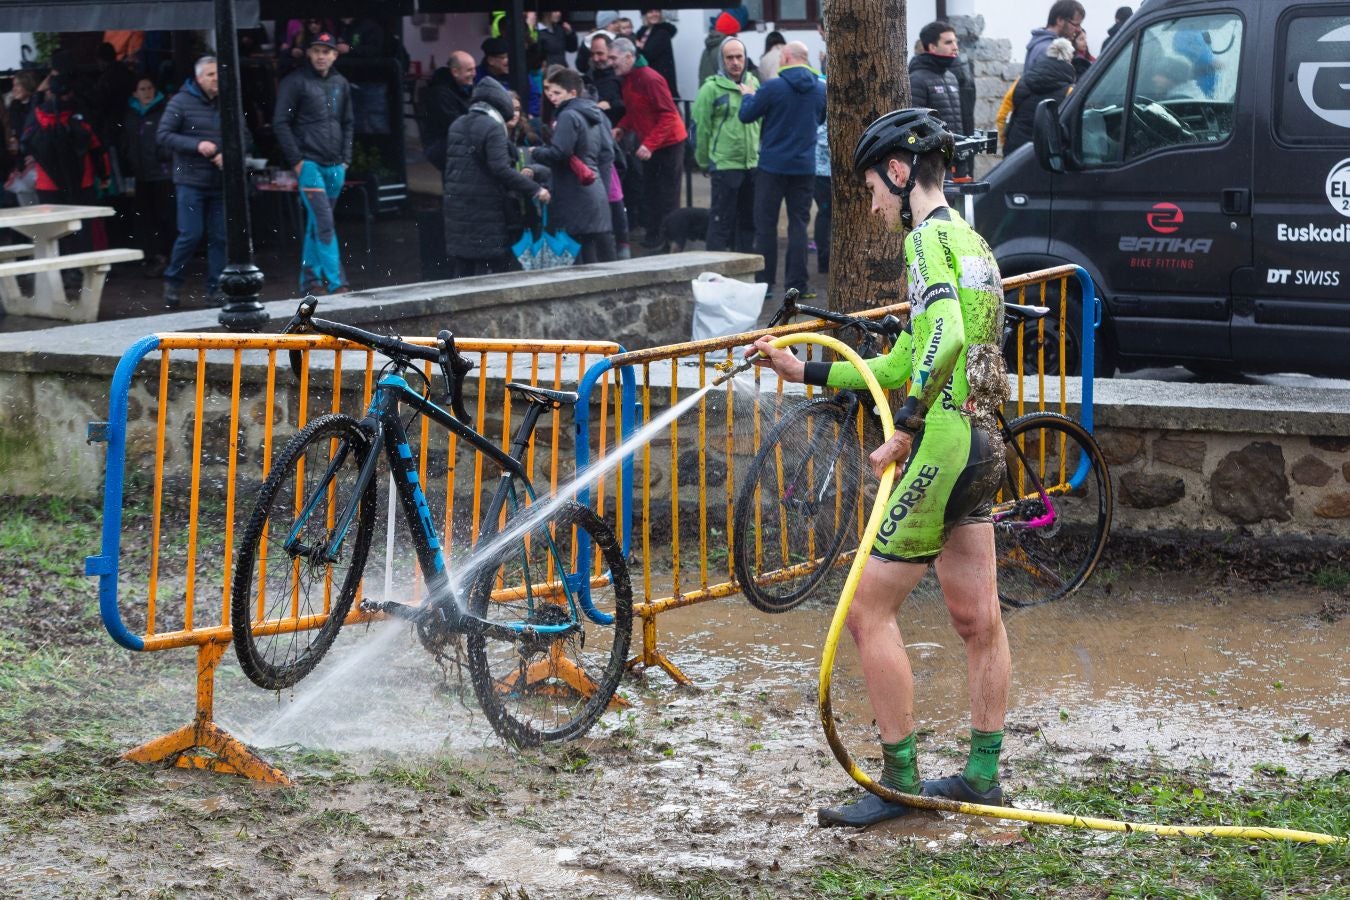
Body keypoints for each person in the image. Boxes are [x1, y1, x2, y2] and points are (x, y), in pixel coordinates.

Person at [750, 108, 1010, 828]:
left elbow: (948, 338)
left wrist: (914, 427)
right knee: (977, 617)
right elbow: (903, 360)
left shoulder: (926, 240)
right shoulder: (974, 241)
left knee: (867, 611)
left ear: (900, 171)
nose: (870, 203)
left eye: (872, 185)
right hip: (987, 439)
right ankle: (982, 779)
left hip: (949, 442)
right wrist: (799, 368)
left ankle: (898, 784)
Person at [737, 41, 825, 296]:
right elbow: (819, 119)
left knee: (766, 224)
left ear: (785, 57)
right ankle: (797, 284)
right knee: (798, 225)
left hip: (772, 166)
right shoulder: (820, 89)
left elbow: (747, 116)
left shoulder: (772, 87)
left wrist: (747, 96)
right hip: (804, 166)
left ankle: (765, 284)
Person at [442, 76, 550, 277]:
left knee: (464, 269)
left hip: (457, 207)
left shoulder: (457, 124)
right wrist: (536, 189)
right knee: (489, 269)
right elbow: (500, 169)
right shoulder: (492, 127)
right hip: (485, 209)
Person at [274, 31, 354, 295]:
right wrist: (297, 161)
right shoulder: (295, 82)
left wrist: (345, 160)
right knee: (324, 221)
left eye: (326, 51)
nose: (321, 56)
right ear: (309, 53)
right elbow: (280, 123)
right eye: (317, 51)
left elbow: (348, 122)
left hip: (334, 165)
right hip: (309, 164)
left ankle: (309, 280)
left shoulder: (341, 82)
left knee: (318, 222)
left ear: (335, 55)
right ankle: (337, 282)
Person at [21, 74, 110, 289]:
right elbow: (97, 147)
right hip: (82, 181)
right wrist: (104, 175)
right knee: (82, 228)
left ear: (50, 92)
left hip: (48, 184)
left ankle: (56, 276)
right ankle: (82, 274)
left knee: (53, 232)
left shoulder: (37, 115)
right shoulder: (80, 114)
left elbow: (26, 144)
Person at [155, 57, 225, 308]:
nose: (215, 78)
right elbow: (163, 135)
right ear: (198, 78)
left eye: (217, 73)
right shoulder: (180, 102)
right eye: (209, 75)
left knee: (220, 237)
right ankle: (172, 282)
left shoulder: (227, 101)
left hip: (219, 180)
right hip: (190, 180)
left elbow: (245, 136)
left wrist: (227, 152)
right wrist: (197, 145)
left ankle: (216, 289)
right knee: (191, 234)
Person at [531, 68, 616, 264]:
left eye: (558, 93)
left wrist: (536, 152)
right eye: (550, 93)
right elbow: (606, 151)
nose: (552, 97)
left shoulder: (568, 115)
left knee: (577, 254)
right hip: (592, 189)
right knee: (588, 252)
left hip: (574, 192)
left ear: (572, 93)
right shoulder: (591, 114)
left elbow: (560, 153)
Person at [610, 37, 687, 250]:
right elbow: (636, 111)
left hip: (668, 144)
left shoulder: (649, 78)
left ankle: (670, 240)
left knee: (667, 195)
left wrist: (650, 144)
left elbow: (669, 115)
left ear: (629, 57)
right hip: (652, 142)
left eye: (613, 58)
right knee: (651, 192)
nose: (611, 62)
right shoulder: (631, 79)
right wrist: (622, 127)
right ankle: (655, 235)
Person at [692, 36, 760, 253]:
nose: (735, 62)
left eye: (739, 57)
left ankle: (745, 274)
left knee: (748, 223)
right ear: (722, 60)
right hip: (724, 164)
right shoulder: (710, 89)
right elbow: (699, 128)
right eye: (729, 57)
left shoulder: (753, 83)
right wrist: (703, 161)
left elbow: (760, 122)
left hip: (751, 164)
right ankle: (715, 277)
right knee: (721, 222)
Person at [121, 75, 173, 278]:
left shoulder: (163, 111)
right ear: (135, 93)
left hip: (161, 173)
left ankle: (166, 255)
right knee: (146, 217)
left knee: (165, 216)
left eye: (150, 87)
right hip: (141, 174)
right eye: (142, 89)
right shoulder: (130, 115)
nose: (147, 92)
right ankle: (154, 255)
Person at [1005, 37, 1077, 155]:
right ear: (1069, 59)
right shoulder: (1069, 92)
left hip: (1016, 150)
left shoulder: (1020, 82)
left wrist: (1007, 142)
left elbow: (1002, 116)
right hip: (1049, 154)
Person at [420, 51, 476, 171]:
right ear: (455, 72)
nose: (474, 74)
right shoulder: (440, 94)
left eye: (474, 69)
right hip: (444, 146)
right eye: (469, 70)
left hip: (456, 143)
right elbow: (456, 124)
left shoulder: (465, 88)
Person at [909, 22, 964, 135]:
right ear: (932, 47)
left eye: (955, 42)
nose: (955, 47)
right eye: (948, 42)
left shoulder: (951, 77)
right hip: (933, 151)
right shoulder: (916, 79)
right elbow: (915, 122)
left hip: (954, 149)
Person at [1025, 1, 1085, 71]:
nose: (1079, 29)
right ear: (1059, 20)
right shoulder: (1051, 51)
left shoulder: (1039, 44)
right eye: (1076, 24)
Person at [699, 7, 751, 85]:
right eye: (735, 34)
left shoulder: (708, 49)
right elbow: (737, 78)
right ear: (731, 34)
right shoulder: (725, 50)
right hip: (720, 94)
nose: (737, 37)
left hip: (707, 94)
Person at [636, 9, 679, 98]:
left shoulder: (662, 32)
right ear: (645, 15)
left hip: (658, 77)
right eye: (650, 12)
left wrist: (637, 47)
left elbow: (649, 54)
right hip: (647, 75)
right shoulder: (644, 31)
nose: (654, 14)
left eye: (657, 11)